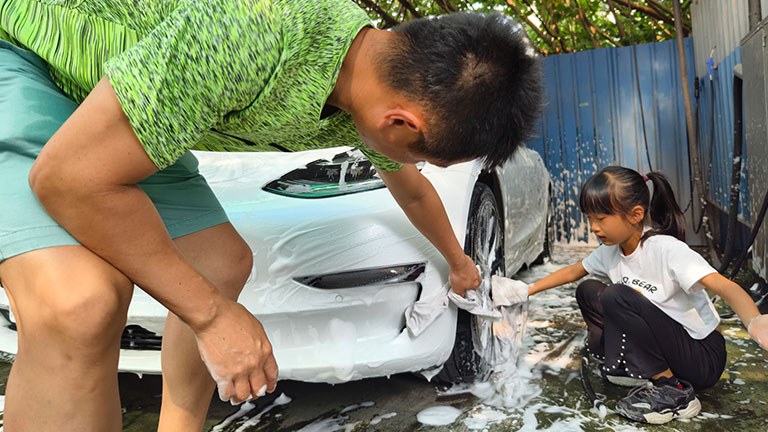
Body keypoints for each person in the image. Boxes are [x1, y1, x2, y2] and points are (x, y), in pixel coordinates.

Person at [0, 0, 544, 430]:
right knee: (80, 306)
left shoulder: (373, 78)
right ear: (401, 123)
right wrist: (214, 319)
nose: (417, 164)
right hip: (32, 60)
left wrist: (458, 262)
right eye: (426, 155)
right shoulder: (254, 30)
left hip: (130, 102)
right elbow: (66, 180)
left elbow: (414, 193)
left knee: (220, 262)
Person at [527, 166, 768, 425]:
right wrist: (524, 290)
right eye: (590, 219)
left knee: (617, 295)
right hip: (671, 346)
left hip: (702, 356)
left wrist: (754, 320)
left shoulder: (667, 250)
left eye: (601, 219)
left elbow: (724, 286)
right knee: (589, 291)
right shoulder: (611, 251)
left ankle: (674, 390)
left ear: (635, 215)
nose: (594, 228)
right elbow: (573, 271)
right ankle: (624, 366)